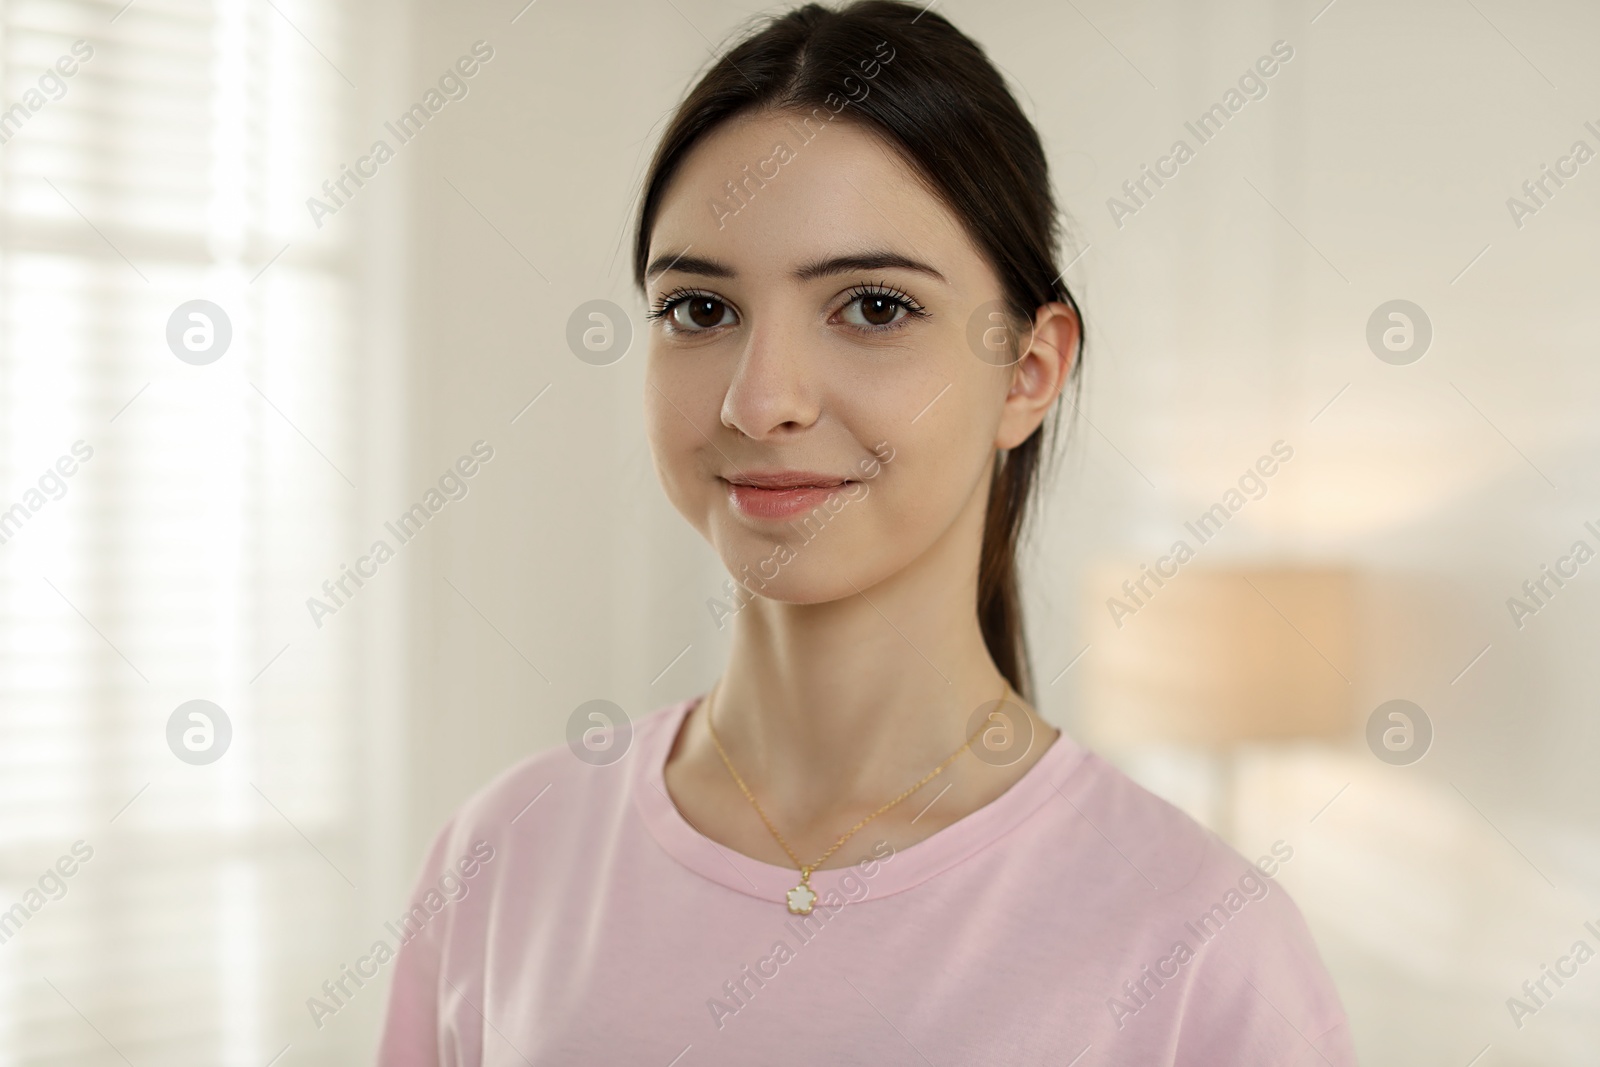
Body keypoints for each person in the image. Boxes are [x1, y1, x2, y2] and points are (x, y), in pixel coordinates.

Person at [376, 2, 1355, 1062]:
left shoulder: (1200, 941)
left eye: (874, 307)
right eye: (701, 311)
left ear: (1029, 370)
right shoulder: (503, 857)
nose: (762, 401)